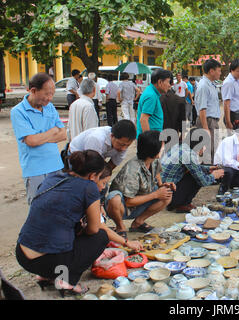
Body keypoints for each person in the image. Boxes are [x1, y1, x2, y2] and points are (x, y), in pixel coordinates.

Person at [15, 150, 143, 297]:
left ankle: (47, 276)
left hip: (22, 254)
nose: (102, 187)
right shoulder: (88, 188)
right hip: (47, 262)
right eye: (102, 182)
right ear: (92, 176)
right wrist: (126, 242)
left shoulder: (55, 177)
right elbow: (95, 229)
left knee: (71, 229)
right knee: (100, 237)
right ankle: (66, 281)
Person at [10, 72, 67, 205]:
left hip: (56, 166)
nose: (50, 98)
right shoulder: (18, 112)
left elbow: (63, 134)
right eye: (47, 94)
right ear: (33, 90)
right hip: (35, 170)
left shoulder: (50, 107)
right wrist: (53, 131)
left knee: (59, 206)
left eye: (52, 94)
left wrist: (40, 137)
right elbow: (31, 141)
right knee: (39, 209)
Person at [105, 130, 175, 235]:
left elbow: (157, 173)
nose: (164, 148)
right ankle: (120, 227)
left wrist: (162, 185)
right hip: (122, 208)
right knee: (114, 198)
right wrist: (156, 194)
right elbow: (129, 201)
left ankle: (138, 222)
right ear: (153, 149)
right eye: (162, 146)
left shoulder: (153, 160)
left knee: (167, 193)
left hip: (140, 201)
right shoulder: (133, 169)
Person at [161, 128, 225, 212]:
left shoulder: (180, 146)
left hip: (164, 189)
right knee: (197, 177)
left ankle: (175, 203)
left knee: (200, 171)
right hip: (169, 193)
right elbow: (203, 181)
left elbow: (193, 166)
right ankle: (181, 204)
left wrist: (208, 168)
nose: (205, 148)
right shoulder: (189, 154)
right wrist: (214, 175)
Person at [69, 119, 136, 171]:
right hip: (75, 157)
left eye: (127, 146)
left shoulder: (124, 143)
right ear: (112, 136)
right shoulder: (97, 138)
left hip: (96, 158)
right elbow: (91, 164)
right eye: (121, 144)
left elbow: (113, 164)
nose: (123, 149)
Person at [194, 58, 222, 163]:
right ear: (211, 71)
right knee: (209, 151)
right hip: (207, 121)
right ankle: (209, 175)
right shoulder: (203, 85)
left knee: (213, 149)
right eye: (218, 70)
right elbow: (202, 109)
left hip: (212, 121)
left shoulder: (211, 84)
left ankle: (211, 173)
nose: (220, 73)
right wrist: (206, 129)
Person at [137, 68, 173, 135]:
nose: (169, 85)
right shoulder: (151, 96)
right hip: (150, 140)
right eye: (168, 82)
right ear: (160, 82)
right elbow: (143, 119)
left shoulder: (152, 92)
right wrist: (148, 140)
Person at [160, 81, 186, 148]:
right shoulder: (180, 100)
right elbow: (183, 119)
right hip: (174, 133)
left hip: (160, 133)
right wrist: (182, 133)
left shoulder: (158, 99)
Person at [222, 58, 239, 130]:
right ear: (232, 70)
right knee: (235, 140)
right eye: (238, 71)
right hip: (233, 116)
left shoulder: (237, 80)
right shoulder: (229, 82)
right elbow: (226, 103)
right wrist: (228, 122)